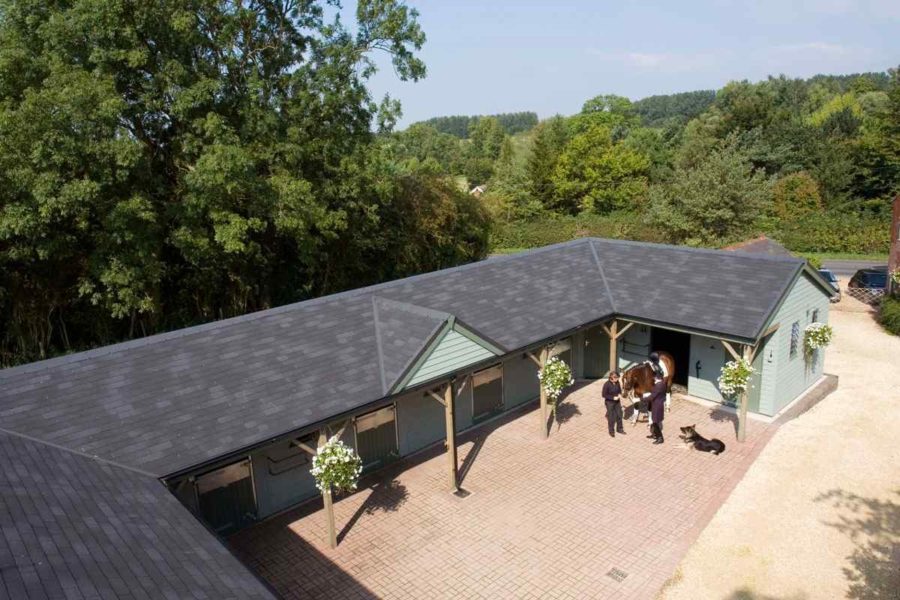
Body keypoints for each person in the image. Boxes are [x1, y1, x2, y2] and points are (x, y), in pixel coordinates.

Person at [602, 371, 625, 437]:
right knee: (611, 417)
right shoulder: (606, 384)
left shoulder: (617, 383)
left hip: (617, 401)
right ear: (612, 378)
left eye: (618, 378)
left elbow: (619, 390)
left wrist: (620, 394)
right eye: (617, 378)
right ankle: (611, 431)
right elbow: (603, 395)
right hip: (609, 402)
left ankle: (619, 429)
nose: (618, 380)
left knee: (619, 415)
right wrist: (612, 397)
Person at [646, 375, 667, 444]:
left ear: (658, 379)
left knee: (655, 422)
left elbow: (652, 397)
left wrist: (641, 398)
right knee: (655, 421)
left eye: (655, 379)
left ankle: (660, 438)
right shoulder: (663, 384)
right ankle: (654, 434)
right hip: (659, 404)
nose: (654, 380)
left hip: (657, 406)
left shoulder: (658, 386)